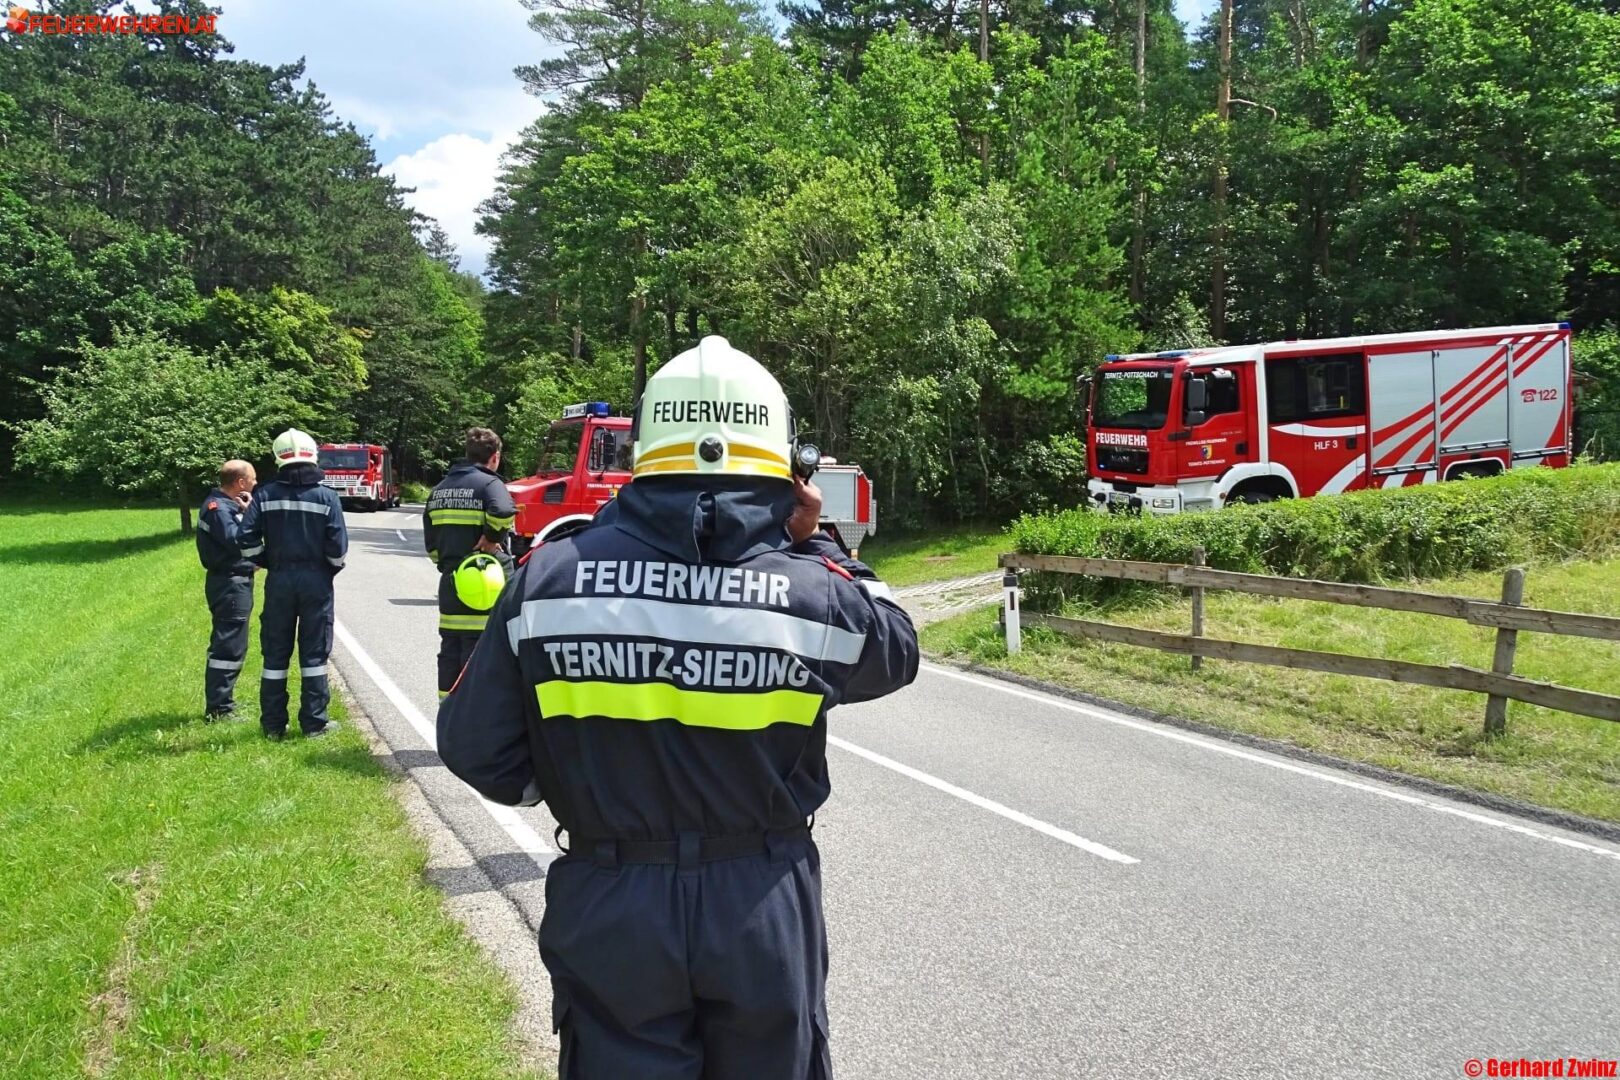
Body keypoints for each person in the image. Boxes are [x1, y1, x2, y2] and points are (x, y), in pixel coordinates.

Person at [437, 337, 919, 1079]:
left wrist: (579, 786)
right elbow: (898, 648)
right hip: (759, 896)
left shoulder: (548, 578)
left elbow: (476, 750)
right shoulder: (814, 590)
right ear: (786, 473)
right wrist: (827, 544)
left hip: (610, 895)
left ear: (645, 454)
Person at [238, 428, 348, 740]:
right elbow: (338, 548)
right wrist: (327, 569)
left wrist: (265, 561)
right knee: (313, 654)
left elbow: (244, 538)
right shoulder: (327, 497)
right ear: (313, 456)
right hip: (316, 581)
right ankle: (314, 723)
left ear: (279, 458)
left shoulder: (265, 495)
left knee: (275, 653)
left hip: (280, 580)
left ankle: (273, 725)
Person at [423, 427, 517, 698]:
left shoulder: (439, 490)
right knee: (483, 658)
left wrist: (449, 564)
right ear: (495, 457)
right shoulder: (490, 484)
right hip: (484, 586)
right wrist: (491, 537)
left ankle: (447, 717)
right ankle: (476, 726)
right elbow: (503, 510)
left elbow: (432, 546)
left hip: (451, 583)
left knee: (451, 653)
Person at [196, 459, 258, 721]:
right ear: (241, 483)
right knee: (228, 647)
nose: (256, 483)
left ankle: (223, 703)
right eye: (253, 479)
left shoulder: (225, 505)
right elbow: (237, 541)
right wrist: (249, 516)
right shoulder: (219, 509)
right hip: (230, 584)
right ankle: (219, 709)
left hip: (233, 582)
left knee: (233, 644)